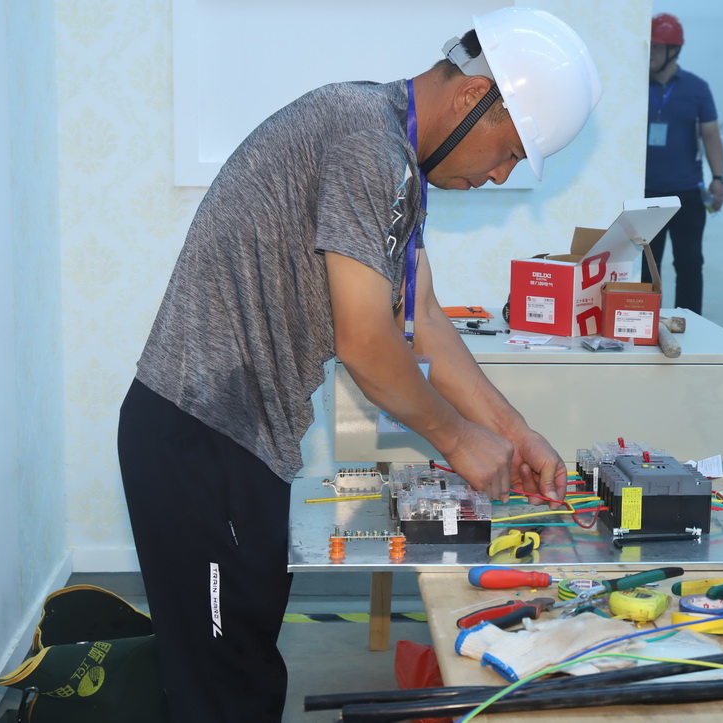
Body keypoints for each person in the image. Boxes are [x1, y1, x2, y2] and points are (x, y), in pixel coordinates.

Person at [116, 7, 601, 722]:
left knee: (244, 663)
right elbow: (367, 342)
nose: (501, 175)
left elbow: (422, 317)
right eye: (508, 151)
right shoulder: (365, 141)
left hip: (237, 443)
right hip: (201, 439)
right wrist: (459, 439)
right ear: (474, 97)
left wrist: (514, 431)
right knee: (222, 688)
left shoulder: (391, 149)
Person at [642, 12, 723, 316]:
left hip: (686, 194)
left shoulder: (696, 88)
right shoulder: (635, 86)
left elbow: (711, 135)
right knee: (646, 268)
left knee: (689, 264)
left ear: (674, 50)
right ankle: (643, 324)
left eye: (657, 47)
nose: (650, 53)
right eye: (649, 46)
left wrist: (719, 178)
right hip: (645, 195)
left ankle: (691, 322)